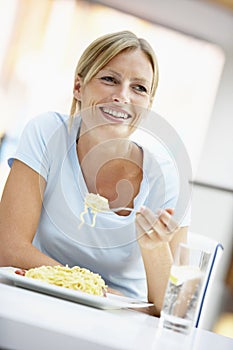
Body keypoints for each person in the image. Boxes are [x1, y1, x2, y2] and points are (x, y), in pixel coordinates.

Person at [0, 30, 190, 316]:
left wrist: (154, 249)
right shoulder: (47, 133)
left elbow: (174, 307)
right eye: (110, 79)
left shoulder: (166, 175)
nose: (122, 96)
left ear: (149, 104)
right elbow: (8, 249)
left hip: (123, 325)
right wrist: (94, 290)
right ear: (78, 86)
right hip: (37, 304)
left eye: (139, 88)